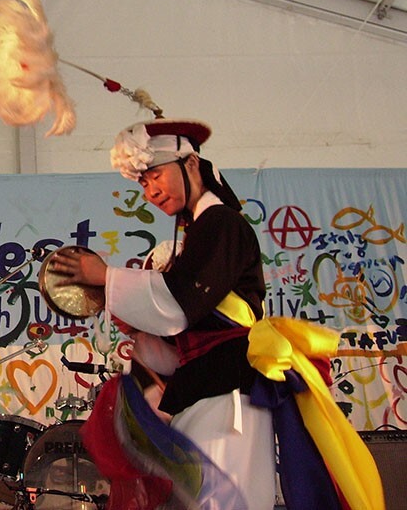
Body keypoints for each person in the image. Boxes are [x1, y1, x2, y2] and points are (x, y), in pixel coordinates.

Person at [50, 118, 383, 510]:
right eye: (143, 183)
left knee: (227, 499)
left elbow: (180, 302)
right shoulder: (199, 232)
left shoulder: (221, 223)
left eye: (156, 175)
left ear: (191, 164)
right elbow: (181, 323)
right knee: (207, 497)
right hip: (208, 386)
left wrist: (105, 277)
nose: (151, 190)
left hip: (229, 391)